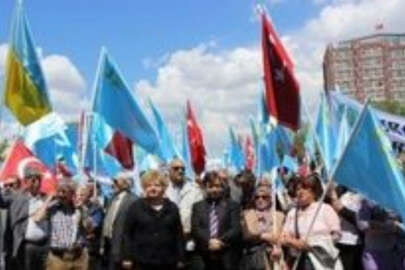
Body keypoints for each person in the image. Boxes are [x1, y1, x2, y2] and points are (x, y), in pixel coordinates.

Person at [122, 169, 184, 270]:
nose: (153, 188)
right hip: (141, 261)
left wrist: (181, 258)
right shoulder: (135, 207)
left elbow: (178, 235)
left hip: (167, 262)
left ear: (163, 188)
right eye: (149, 186)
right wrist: (127, 257)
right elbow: (127, 234)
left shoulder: (172, 208)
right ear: (144, 188)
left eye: (157, 185)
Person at [280, 174, 342, 270]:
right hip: (299, 261)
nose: (300, 192)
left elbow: (336, 235)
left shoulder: (325, 209)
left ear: (314, 191)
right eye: (298, 189)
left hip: (322, 263)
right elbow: (284, 237)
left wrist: (314, 244)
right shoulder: (292, 213)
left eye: (305, 188)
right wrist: (293, 243)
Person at [35, 178, 92, 270]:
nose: (61, 194)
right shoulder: (52, 208)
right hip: (57, 258)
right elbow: (37, 218)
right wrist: (49, 198)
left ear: (72, 193)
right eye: (59, 191)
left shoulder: (80, 209)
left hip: (78, 257)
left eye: (64, 191)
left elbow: (89, 229)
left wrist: (81, 210)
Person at [0, 167, 49, 270]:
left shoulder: (46, 198)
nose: (35, 182)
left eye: (38, 179)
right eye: (32, 179)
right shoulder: (17, 198)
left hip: (45, 246)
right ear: (26, 181)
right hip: (26, 247)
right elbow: (2, 201)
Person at [191, 171, 241, 270]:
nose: (214, 190)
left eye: (218, 186)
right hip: (203, 255)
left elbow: (235, 228)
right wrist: (209, 241)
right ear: (205, 187)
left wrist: (220, 241)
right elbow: (196, 228)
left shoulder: (232, 206)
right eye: (211, 186)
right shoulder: (197, 206)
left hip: (226, 255)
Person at [165, 158, 204, 270]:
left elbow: (200, 216)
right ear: (169, 171)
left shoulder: (195, 190)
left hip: (190, 245)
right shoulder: (163, 190)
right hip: (168, 247)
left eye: (183, 168)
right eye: (176, 168)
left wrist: (188, 231)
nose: (180, 171)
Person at [240, 185, 285, 270]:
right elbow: (248, 234)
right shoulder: (247, 214)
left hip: (273, 257)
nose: (260, 200)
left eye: (264, 197)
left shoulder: (279, 216)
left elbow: (279, 236)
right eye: (257, 197)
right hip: (252, 257)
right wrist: (263, 236)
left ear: (271, 199)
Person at [101, 172, 137, 270]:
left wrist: (128, 256)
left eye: (116, 181)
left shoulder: (133, 200)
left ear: (126, 183)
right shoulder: (112, 198)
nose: (113, 184)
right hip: (108, 246)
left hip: (122, 249)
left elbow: (133, 231)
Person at [75, 185, 104, 270]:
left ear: (88, 196)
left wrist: (84, 211)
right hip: (75, 248)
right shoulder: (72, 208)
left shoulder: (96, 209)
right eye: (77, 195)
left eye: (82, 195)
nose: (79, 198)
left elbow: (91, 228)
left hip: (88, 249)